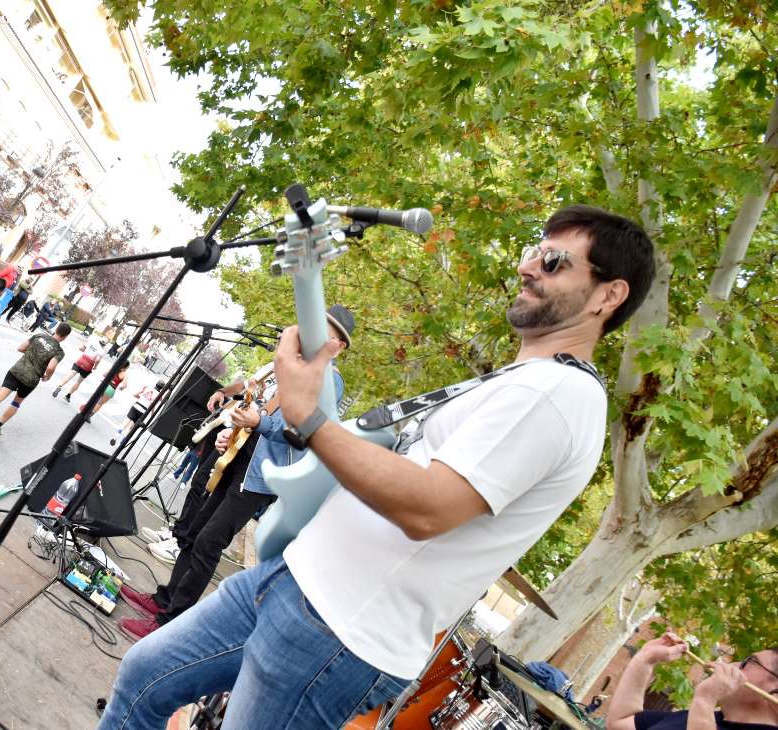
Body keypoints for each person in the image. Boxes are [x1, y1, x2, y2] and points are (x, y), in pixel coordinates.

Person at [98, 205, 657, 728]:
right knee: (143, 679)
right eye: (534, 251)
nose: (529, 266)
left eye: (554, 261)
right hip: (293, 581)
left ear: (608, 295)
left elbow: (428, 506)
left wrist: (308, 417)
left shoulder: (556, 395)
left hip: (338, 632)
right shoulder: (521, 381)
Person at [116, 308, 352, 642]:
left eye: (325, 334)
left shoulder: (330, 382)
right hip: (239, 459)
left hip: (260, 478)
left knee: (209, 541)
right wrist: (238, 433)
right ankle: (164, 601)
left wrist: (259, 425)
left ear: (339, 347)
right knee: (196, 532)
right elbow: (260, 409)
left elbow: (304, 434)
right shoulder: (294, 369)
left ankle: (170, 624)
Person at [606, 632, 778, 730]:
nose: (733, 664)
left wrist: (704, 700)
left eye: (750, 661)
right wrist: (645, 659)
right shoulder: (702, 718)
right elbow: (619, 723)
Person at [0, 323, 71, 439]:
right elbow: (51, 367)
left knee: (0, 395)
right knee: (16, 403)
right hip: (31, 379)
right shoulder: (58, 352)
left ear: (56, 329)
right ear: (66, 337)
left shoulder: (39, 336)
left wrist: (29, 355)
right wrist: (47, 377)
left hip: (17, 370)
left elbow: (21, 347)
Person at [111, 378, 163, 447]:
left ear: (156, 384)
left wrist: (141, 398)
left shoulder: (147, 388)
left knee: (125, 424)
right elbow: (152, 405)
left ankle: (115, 437)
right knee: (131, 427)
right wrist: (152, 414)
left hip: (136, 406)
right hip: (142, 411)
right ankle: (122, 440)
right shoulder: (159, 396)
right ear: (162, 388)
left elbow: (135, 394)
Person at [52, 337, 105, 401]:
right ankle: (68, 396)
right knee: (78, 382)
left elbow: (81, 348)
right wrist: (95, 366)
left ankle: (59, 386)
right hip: (88, 365)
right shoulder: (102, 351)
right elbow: (97, 360)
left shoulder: (92, 342)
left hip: (81, 360)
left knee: (70, 374)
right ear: (104, 345)